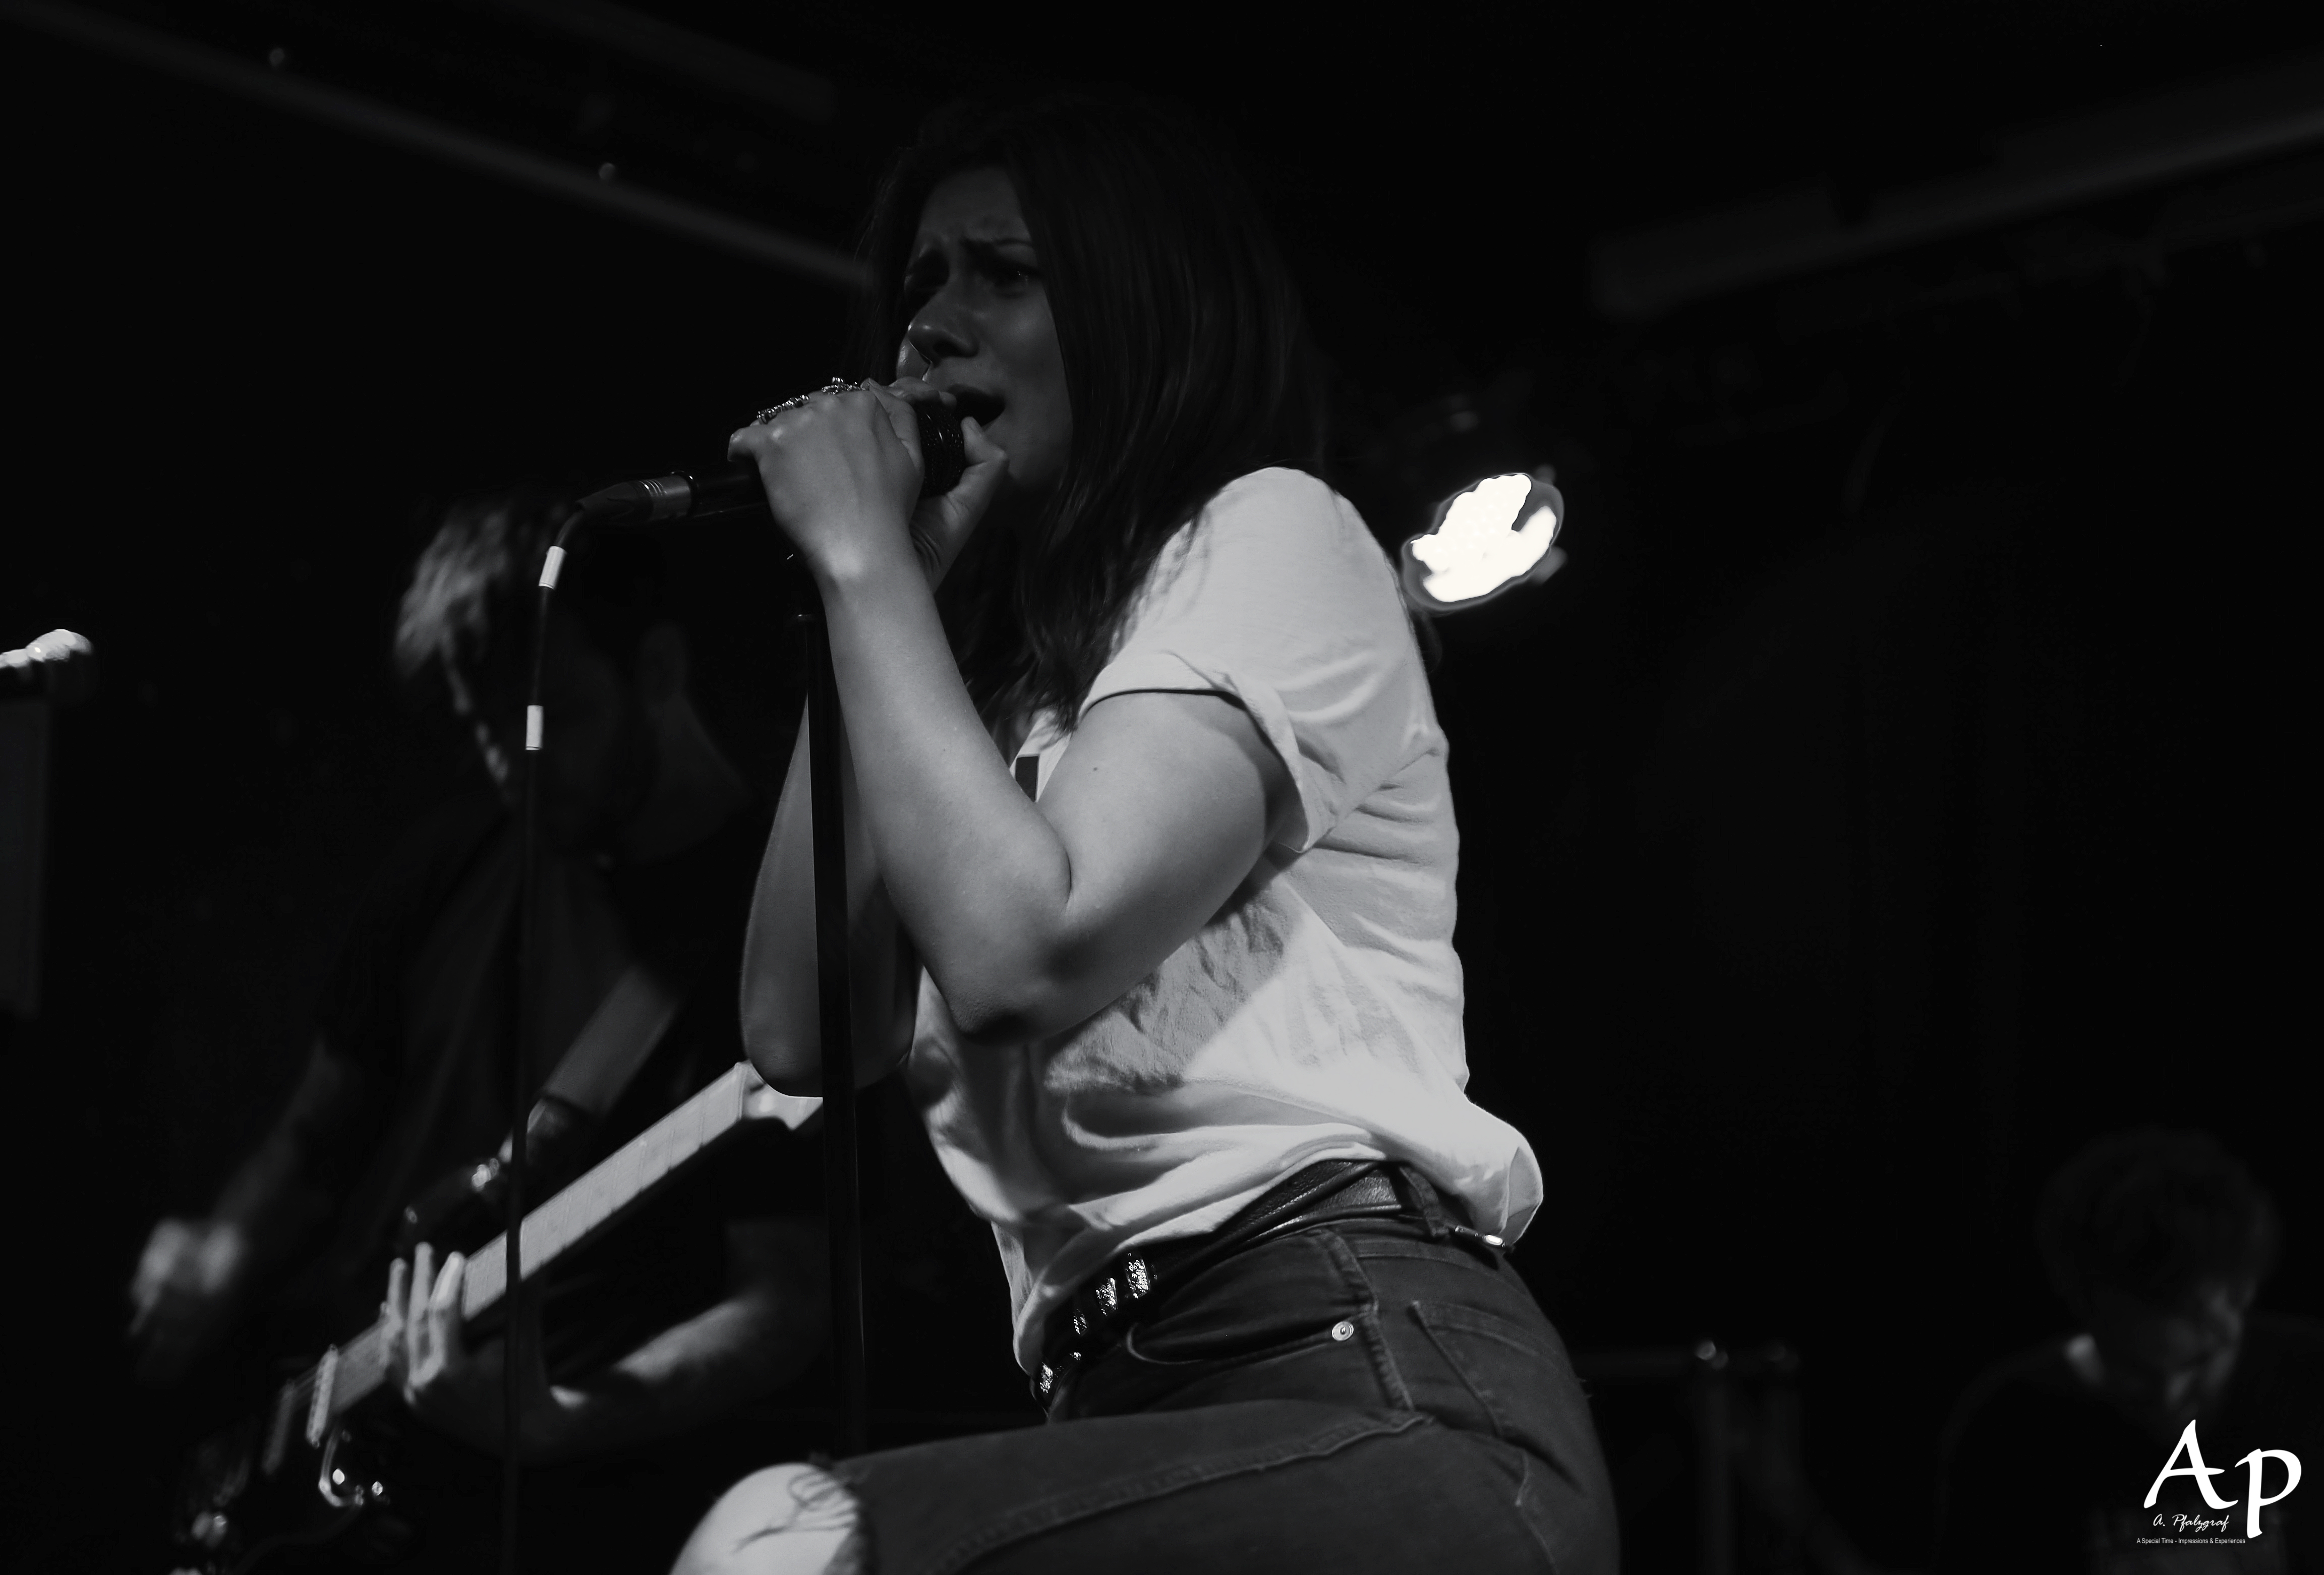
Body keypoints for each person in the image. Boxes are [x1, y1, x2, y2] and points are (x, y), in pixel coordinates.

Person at [674, 91, 1618, 1574]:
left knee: (785, 1543)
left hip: (1360, 1369)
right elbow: (803, 1028)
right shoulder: (970, 702)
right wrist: (879, 591)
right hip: (1118, 1404)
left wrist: (865, 572)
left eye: (1003, 273)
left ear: (1140, 317)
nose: (932, 325)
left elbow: (1025, 949)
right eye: (921, 282)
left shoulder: (1273, 535)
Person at [127, 498, 832, 1568]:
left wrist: (559, 1419)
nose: (511, 762)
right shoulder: (453, 860)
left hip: (567, 1516)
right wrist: (226, 1247)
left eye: (548, 715)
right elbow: (316, 1140)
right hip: (336, 1440)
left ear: (655, 668)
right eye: (483, 726)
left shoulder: (769, 932)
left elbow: (786, 1302)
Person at [1935, 1129, 2324, 1572]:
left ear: (2243, 1296)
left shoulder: (2313, 1387)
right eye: (2133, 1369)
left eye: (2198, 1364)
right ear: (2083, 1311)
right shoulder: (2008, 1431)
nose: (2168, 1397)